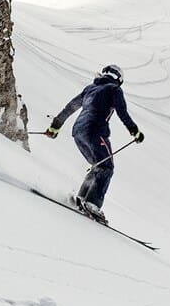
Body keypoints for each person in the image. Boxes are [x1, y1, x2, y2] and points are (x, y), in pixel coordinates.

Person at [44, 64, 144, 224]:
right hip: (95, 131)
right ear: (119, 79)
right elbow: (122, 111)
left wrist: (55, 126)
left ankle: (82, 198)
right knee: (107, 167)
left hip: (77, 132)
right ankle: (92, 204)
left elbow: (71, 106)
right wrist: (134, 131)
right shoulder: (114, 89)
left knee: (99, 165)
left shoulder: (90, 88)